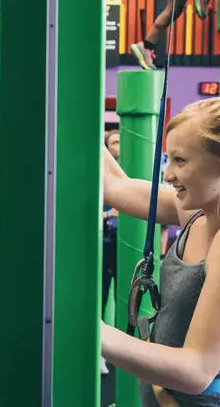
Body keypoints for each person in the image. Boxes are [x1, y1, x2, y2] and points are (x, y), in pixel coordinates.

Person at [99, 97, 220, 406]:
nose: (168, 173)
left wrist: (94, 332)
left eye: (180, 160)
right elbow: (113, 185)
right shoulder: (198, 214)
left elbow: (196, 369)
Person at [100, 129, 120, 375]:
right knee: (101, 296)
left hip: (121, 245)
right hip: (103, 244)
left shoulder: (129, 174)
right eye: (114, 142)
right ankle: (100, 353)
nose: (119, 146)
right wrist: (109, 214)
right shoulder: (99, 175)